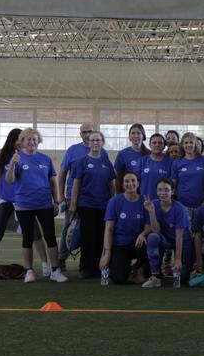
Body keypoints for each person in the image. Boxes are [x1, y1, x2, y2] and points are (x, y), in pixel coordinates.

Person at [0, 128, 50, 278]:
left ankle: (45, 264)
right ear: (13, 141)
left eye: (25, 139)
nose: (23, 142)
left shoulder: (29, 156)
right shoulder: (3, 156)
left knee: (35, 233)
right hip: (4, 198)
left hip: (23, 201)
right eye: (19, 139)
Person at [4, 128, 67, 283]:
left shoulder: (45, 159)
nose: (31, 142)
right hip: (24, 205)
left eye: (34, 139)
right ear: (22, 142)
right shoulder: (17, 158)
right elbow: (9, 180)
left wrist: (56, 201)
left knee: (50, 237)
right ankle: (29, 271)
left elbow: (52, 181)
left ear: (38, 141)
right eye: (28, 139)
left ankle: (54, 270)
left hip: (44, 204)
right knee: (27, 238)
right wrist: (12, 163)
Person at [69, 131, 116, 278]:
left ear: (102, 142)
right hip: (86, 205)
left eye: (98, 140)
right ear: (89, 143)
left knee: (100, 238)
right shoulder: (81, 162)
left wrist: (113, 203)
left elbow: (111, 185)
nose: (95, 143)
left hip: (103, 206)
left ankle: (96, 267)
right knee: (87, 237)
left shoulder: (107, 163)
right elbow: (76, 184)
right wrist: (73, 203)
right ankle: (85, 268)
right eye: (93, 140)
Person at [57, 121, 101, 270]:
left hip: (93, 200)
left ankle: (88, 264)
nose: (88, 135)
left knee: (90, 231)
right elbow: (62, 174)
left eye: (90, 132)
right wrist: (61, 197)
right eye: (84, 132)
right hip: (72, 198)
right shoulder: (72, 150)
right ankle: (61, 258)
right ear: (80, 134)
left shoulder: (103, 152)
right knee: (69, 228)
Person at [99, 172, 148, 285]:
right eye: (127, 181)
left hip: (138, 243)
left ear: (138, 183)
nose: (130, 183)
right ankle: (126, 267)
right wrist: (107, 253)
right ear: (122, 184)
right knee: (118, 278)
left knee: (151, 241)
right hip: (120, 244)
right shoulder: (114, 201)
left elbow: (149, 227)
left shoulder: (144, 201)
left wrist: (143, 234)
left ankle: (138, 268)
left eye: (133, 181)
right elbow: (109, 229)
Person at [143, 179, 192, 288]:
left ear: (172, 191)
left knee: (181, 278)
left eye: (166, 190)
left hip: (182, 242)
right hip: (166, 239)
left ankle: (182, 267)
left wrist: (178, 260)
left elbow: (179, 236)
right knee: (152, 237)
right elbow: (156, 230)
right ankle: (156, 276)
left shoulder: (179, 208)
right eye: (159, 190)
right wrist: (151, 212)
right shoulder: (154, 204)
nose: (163, 193)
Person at [171, 132, 204, 218]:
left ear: (195, 144)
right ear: (182, 145)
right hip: (183, 205)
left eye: (191, 142)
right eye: (186, 143)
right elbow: (173, 183)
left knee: (201, 230)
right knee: (187, 230)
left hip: (203, 203)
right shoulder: (177, 162)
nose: (189, 145)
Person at [114, 124, 149, 192]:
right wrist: (118, 195)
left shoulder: (149, 154)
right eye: (133, 133)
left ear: (143, 136)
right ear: (129, 137)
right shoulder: (122, 154)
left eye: (138, 133)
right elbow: (118, 179)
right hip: (128, 193)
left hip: (145, 192)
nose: (135, 136)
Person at [138, 133, 170, 200]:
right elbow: (136, 182)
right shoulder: (142, 161)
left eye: (160, 143)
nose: (157, 145)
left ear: (164, 146)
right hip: (145, 201)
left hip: (163, 202)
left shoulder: (170, 162)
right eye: (154, 143)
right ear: (150, 145)